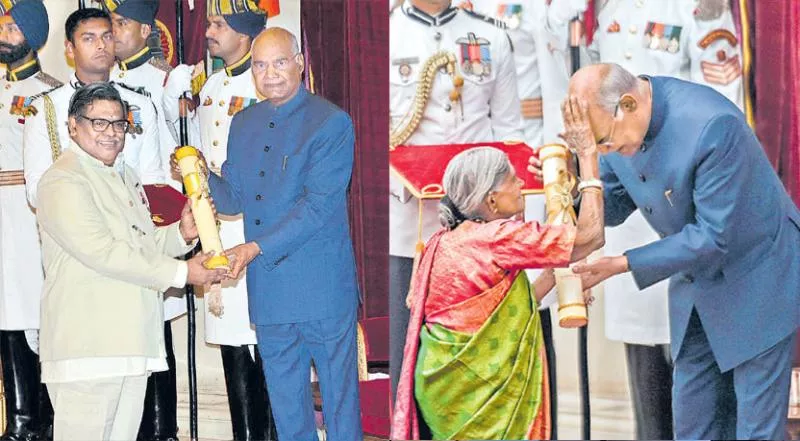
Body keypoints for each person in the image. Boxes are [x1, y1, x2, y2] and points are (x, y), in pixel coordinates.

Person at [544, 63, 800, 440]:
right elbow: (612, 205)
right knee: (692, 425)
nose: (603, 151)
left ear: (628, 104)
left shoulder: (711, 125)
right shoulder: (613, 131)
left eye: (603, 142)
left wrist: (622, 264)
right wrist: (567, 185)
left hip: (758, 280)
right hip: (695, 287)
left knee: (755, 431)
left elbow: (713, 237)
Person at [548, 1, 744, 437]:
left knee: (703, 366)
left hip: (694, 212)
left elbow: (725, 105)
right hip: (629, 206)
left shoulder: (699, 7)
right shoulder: (609, 8)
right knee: (645, 364)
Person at [188, 27, 363, 441]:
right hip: (270, 293)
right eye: (261, 65)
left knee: (339, 405)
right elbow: (232, 199)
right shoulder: (244, 123)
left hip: (321, 287)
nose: (270, 74)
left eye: (280, 62)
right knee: (286, 408)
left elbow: (318, 207)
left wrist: (253, 248)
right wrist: (198, 172)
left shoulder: (331, 123)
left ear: (300, 63)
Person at [36, 82, 227, 441]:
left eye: (119, 124)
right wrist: (185, 272)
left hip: (131, 340)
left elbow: (139, 242)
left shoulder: (124, 174)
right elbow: (103, 252)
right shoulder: (63, 180)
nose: (111, 133)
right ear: (73, 126)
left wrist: (180, 234)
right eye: (99, 123)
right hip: (88, 348)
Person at [391, 140, 604, 439]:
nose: (520, 184)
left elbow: (505, 311)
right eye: (511, 179)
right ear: (491, 201)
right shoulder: (497, 238)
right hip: (483, 396)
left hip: (444, 394)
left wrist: (565, 275)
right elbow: (590, 237)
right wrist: (590, 166)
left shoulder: (443, 241)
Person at [389, 0, 524, 402]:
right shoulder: (389, 34)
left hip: (479, 230)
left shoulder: (492, 36)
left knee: (478, 361)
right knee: (412, 364)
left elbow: (509, 134)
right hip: (409, 226)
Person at [162, 1, 278, 438]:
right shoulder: (209, 86)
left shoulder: (265, 82)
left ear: (245, 33)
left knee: (261, 341)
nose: (209, 31)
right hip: (215, 227)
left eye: (218, 24)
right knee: (230, 339)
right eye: (208, 21)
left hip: (253, 228)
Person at [103, 1, 186, 439]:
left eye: (119, 23)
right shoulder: (104, 84)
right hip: (109, 230)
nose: (112, 32)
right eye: (109, 22)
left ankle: (162, 428)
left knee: (156, 340)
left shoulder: (164, 83)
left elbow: (168, 164)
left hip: (150, 222)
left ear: (143, 28)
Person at [23, 7, 163, 208]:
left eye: (107, 37)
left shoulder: (140, 104)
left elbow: (152, 179)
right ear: (70, 49)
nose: (100, 46)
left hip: (132, 224)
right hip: (74, 224)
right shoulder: (43, 109)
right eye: (89, 39)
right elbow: (36, 192)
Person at [0, 1, 61, 438]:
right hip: (2, 223)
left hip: (31, 218)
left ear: (32, 33)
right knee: (6, 316)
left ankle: (39, 422)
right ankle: (19, 421)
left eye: (10, 23)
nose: (2, 30)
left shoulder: (52, 92)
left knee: (34, 316)